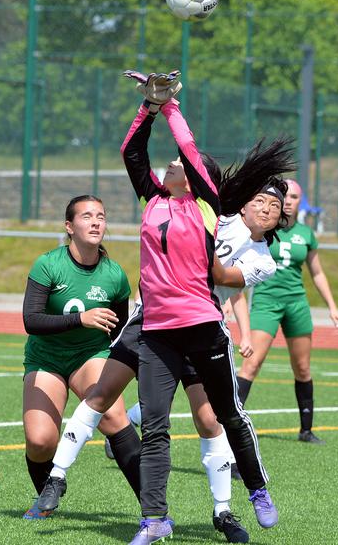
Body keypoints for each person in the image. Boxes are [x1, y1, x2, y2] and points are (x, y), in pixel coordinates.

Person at [38, 180, 291, 544]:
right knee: (102, 393)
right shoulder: (220, 215)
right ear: (244, 203)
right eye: (259, 200)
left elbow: (222, 278)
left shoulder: (262, 260)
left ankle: (223, 511)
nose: (266, 208)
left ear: (281, 216)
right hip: (152, 319)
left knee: (209, 419)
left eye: (274, 205)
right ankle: (57, 477)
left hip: (199, 328)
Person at [120, 70, 283, 544]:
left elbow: (190, 150)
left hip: (202, 327)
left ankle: (255, 490)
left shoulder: (208, 207)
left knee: (228, 414)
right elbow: (132, 152)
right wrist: (147, 107)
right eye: (169, 163)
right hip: (156, 331)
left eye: (179, 163)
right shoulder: (152, 199)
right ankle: (154, 520)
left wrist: (171, 106)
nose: (172, 165)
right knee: (154, 429)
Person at [20, 195, 138, 520]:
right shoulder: (48, 264)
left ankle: (153, 508)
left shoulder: (114, 275)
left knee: (114, 416)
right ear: (69, 227)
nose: (96, 222)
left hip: (91, 354)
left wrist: (126, 367)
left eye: (101, 215)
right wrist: (80, 319)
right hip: (47, 358)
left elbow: (117, 332)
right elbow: (31, 320)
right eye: (87, 216)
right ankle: (47, 493)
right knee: (41, 440)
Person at [236, 178, 338, 445]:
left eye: (294, 197)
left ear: (300, 202)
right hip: (265, 301)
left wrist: (332, 307)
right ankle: (230, 423)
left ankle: (306, 429)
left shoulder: (306, 234)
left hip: (296, 303)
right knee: (251, 364)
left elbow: (317, 273)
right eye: (285, 196)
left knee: (303, 367)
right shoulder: (259, 227)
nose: (288, 201)